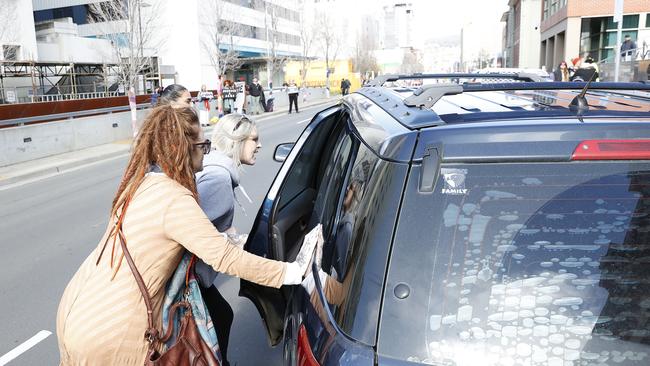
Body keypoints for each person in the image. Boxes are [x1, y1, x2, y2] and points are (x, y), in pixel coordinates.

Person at [56, 105, 317, 365]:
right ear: (183, 148)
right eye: (202, 145)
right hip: (114, 329)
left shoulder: (141, 184)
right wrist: (292, 273)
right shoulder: (173, 198)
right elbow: (225, 259)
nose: (207, 152)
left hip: (78, 310)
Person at [193, 113, 261, 366]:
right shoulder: (218, 178)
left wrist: (232, 236)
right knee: (219, 319)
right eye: (254, 139)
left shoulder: (217, 171)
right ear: (236, 142)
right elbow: (193, 232)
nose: (259, 145)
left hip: (197, 275)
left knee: (221, 317)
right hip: (192, 278)